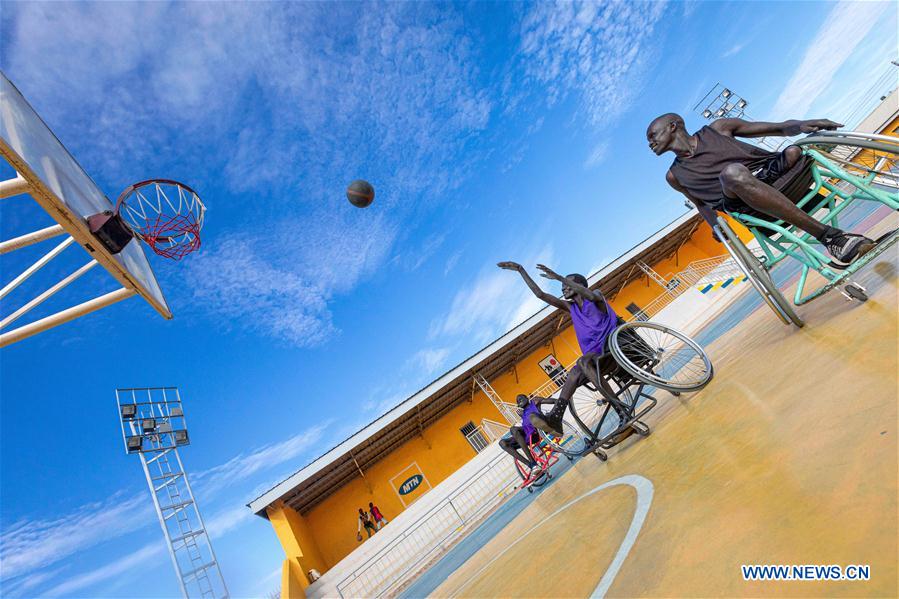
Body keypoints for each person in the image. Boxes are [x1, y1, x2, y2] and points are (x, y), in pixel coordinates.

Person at [646, 112, 876, 265]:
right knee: (732, 173)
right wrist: (717, 227)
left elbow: (778, 128)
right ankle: (830, 238)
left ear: (673, 127)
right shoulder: (674, 176)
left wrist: (802, 125)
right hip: (744, 204)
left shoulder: (718, 128)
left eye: (653, 136)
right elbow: (701, 204)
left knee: (794, 150)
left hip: (777, 177)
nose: (651, 143)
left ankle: (872, 179)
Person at [497, 262, 633, 437]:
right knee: (574, 373)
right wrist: (521, 270)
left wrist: (559, 277)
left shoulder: (596, 296)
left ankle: (621, 411)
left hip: (613, 347)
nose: (563, 289)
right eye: (562, 287)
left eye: (566, 285)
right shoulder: (571, 307)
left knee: (582, 362)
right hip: (596, 360)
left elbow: (590, 296)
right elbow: (540, 295)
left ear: (580, 285)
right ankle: (556, 418)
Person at [499, 394, 559, 478]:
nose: (519, 400)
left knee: (514, 429)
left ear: (527, 398)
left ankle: (533, 463)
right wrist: (523, 416)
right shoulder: (523, 413)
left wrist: (552, 415)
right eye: (518, 401)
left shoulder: (535, 401)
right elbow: (525, 425)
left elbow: (554, 401)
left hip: (537, 432)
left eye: (521, 398)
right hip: (527, 436)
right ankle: (532, 465)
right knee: (503, 442)